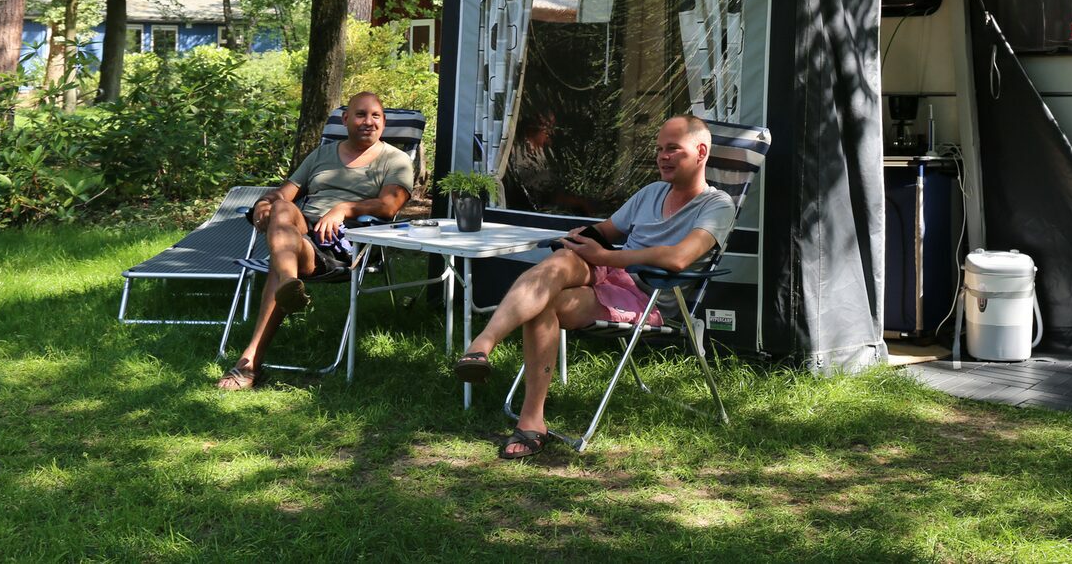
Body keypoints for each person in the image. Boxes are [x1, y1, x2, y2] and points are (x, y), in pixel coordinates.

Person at [453, 114, 734, 460]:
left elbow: (678, 258)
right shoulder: (651, 193)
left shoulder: (717, 205)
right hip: (614, 274)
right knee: (559, 262)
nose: (662, 156)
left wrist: (604, 255)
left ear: (701, 151)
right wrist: (581, 239)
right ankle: (483, 346)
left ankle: (529, 421)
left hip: (650, 300)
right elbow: (606, 231)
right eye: (659, 149)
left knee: (546, 304)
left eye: (673, 149)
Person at [216, 91, 414, 391]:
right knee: (281, 209)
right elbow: (284, 194)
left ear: (384, 123)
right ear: (345, 119)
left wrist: (345, 208)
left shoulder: (395, 160)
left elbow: (389, 206)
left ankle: (250, 359)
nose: (368, 122)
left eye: (376, 116)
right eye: (360, 114)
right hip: (301, 233)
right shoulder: (321, 155)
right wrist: (264, 203)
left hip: (346, 243)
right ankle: (289, 286)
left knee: (282, 259)